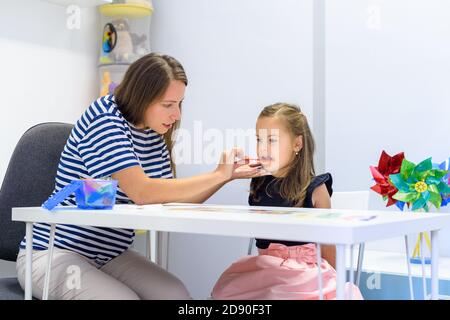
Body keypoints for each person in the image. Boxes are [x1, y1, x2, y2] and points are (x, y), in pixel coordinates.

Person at [16, 53, 263, 300]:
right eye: (168, 105)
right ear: (141, 97)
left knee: (175, 295)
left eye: (179, 103)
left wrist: (224, 177)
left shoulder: (152, 131)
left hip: (110, 255)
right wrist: (216, 174)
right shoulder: (105, 117)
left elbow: (172, 198)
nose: (176, 114)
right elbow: (142, 192)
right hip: (54, 253)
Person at [211, 103, 363, 300]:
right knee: (226, 290)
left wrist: (335, 284)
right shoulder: (258, 183)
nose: (263, 148)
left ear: (297, 144)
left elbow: (328, 245)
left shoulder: (315, 188)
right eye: (259, 140)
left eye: (272, 140)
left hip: (305, 276)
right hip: (266, 269)